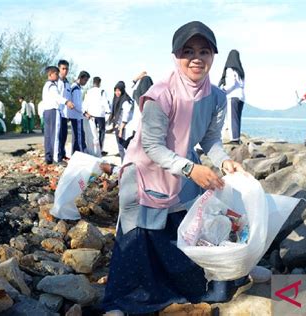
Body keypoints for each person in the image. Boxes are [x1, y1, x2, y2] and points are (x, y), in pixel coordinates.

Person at [103, 21, 249, 315]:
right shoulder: (160, 94)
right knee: (136, 241)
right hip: (144, 174)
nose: (196, 58)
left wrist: (224, 160)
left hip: (179, 174)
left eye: (204, 51)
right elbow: (152, 146)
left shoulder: (217, 97)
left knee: (180, 234)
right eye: (188, 51)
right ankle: (124, 302)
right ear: (175, 55)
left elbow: (209, 140)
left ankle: (175, 293)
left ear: (213, 57)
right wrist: (192, 170)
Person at [41, 66, 75, 165]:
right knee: (55, 135)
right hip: (53, 111)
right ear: (50, 74)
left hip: (46, 111)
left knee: (48, 135)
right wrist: (66, 101)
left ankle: (48, 157)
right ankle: (56, 158)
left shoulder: (46, 85)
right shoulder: (52, 85)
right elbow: (57, 97)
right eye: (56, 73)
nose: (57, 75)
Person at [218, 49, 245, 144]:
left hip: (232, 96)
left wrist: (223, 89)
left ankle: (234, 139)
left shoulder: (230, 69)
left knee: (231, 118)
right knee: (237, 118)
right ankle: (236, 136)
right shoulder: (240, 71)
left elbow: (231, 83)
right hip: (241, 97)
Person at [83, 76, 110, 153]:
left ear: (93, 82)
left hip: (91, 115)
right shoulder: (102, 91)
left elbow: (85, 103)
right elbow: (105, 102)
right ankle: (100, 149)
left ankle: (93, 150)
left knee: (92, 133)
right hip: (100, 115)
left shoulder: (88, 91)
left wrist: (85, 112)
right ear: (99, 83)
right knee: (101, 132)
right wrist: (108, 112)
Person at [109, 81, 134, 161]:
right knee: (120, 148)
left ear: (122, 90)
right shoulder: (116, 99)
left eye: (119, 90)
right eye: (115, 90)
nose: (117, 92)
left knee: (124, 148)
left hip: (124, 128)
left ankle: (125, 165)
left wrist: (120, 129)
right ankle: (123, 164)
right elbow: (116, 113)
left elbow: (126, 116)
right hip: (119, 126)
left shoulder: (125, 100)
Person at [69, 70, 90, 154]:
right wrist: (84, 113)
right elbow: (77, 104)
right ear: (80, 78)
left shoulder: (75, 87)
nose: (85, 82)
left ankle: (75, 154)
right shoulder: (76, 88)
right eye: (85, 80)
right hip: (77, 116)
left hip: (75, 115)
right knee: (79, 136)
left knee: (76, 136)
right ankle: (81, 153)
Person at [56, 59, 72, 162]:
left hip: (65, 113)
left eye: (66, 69)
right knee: (59, 136)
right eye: (63, 68)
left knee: (64, 135)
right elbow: (57, 97)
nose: (65, 71)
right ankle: (58, 157)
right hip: (58, 112)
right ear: (59, 69)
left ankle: (63, 154)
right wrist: (65, 102)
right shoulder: (56, 82)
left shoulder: (67, 83)